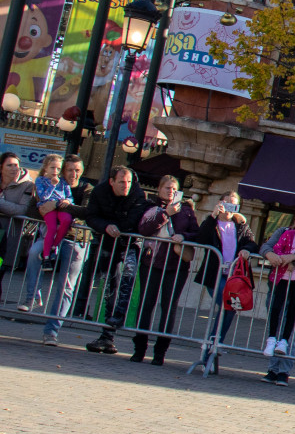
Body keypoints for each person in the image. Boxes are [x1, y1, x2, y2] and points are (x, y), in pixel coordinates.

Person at [237, 200, 295, 379]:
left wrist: (293, 257)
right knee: (276, 321)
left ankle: (283, 370)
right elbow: (267, 247)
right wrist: (271, 255)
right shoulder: (283, 232)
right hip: (279, 283)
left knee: (291, 327)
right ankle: (272, 368)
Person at [128, 175, 200, 366]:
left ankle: (160, 352)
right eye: (167, 188)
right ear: (159, 189)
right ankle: (139, 349)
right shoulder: (151, 208)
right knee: (146, 305)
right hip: (151, 262)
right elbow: (143, 229)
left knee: (169, 308)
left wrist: (183, 236)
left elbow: (197, 233)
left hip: (176, 266)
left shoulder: (186, 211)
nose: (170, 191)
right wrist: (165, 213)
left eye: (174, 189)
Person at [24, 155, 92, 344]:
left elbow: (86, 212)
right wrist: (44, 208)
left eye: (77, 170)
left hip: (75, 240)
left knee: (66, 287)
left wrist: (58, 206)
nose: (74, 173)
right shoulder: (48, 184)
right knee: (33, 253)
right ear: (62, 171)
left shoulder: (87, 189)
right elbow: (32, 210)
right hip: (50, 237)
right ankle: (32, 297)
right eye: (70, 170)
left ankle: (51, 331)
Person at [192, 192, 261, 374]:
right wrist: (213, 216)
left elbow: (252, 243)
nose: (230, 208)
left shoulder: (240, 225)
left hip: (234, 277)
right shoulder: (212, 223)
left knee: (231, 308)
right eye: (228, 204)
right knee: (227, 305)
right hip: (214, 275)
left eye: (234, 205)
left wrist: (246, 250)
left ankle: (214, 344)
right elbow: (202, 238)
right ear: (220, 203)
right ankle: (214, 343)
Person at [83, 166, 146, 354]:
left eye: (128, 182)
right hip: (108, 244)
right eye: (121, 182)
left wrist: (116, 226)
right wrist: (106, 226)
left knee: (127, 283)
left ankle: (115, 324)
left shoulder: (137, 193)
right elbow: (91, 216)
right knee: (111, 287)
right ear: (111, 181)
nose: (126, 186)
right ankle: (107, 335)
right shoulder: (100, 191)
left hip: (129, 245)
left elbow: (134, 220)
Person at [33, 154, 73, 266]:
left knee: (66, 220)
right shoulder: (40, 180)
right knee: (52, 228)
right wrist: (52, 185)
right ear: (46, 167)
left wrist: (67, 201)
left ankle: (54, 246)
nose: (55, 171)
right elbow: (43, 197)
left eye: (58, 168)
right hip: (47, 207)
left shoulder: (63, 181)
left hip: (60, 206)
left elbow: (69, 196)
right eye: (52, 168)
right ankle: (46, 257)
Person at [0, 151, 34, 269]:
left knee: (1, 268)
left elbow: (22, 210)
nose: (14, 168)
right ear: (1, 168)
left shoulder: (28, 185)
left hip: (8, 236)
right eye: (9, 165)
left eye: (16, 165)